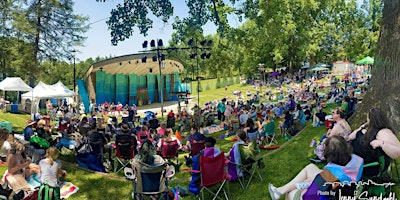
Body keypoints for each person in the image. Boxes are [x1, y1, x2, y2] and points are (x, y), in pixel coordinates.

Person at [268, 136, 364, 200]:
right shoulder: (358, 160)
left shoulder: (327, 175)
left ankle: (282, 191)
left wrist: (309, 185)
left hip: (330, 194)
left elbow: (310, 196)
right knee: (310, 167)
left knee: (290, 193)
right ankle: (279, 191)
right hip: (345, 191)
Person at [349, 108, 400, 178]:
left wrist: (382, 144)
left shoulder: (382, 132)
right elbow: (350, 137)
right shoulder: (365, 129)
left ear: (370, 119)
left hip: (365, 168)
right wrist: (364, 125)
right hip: (354, 163)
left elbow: (398, 152)